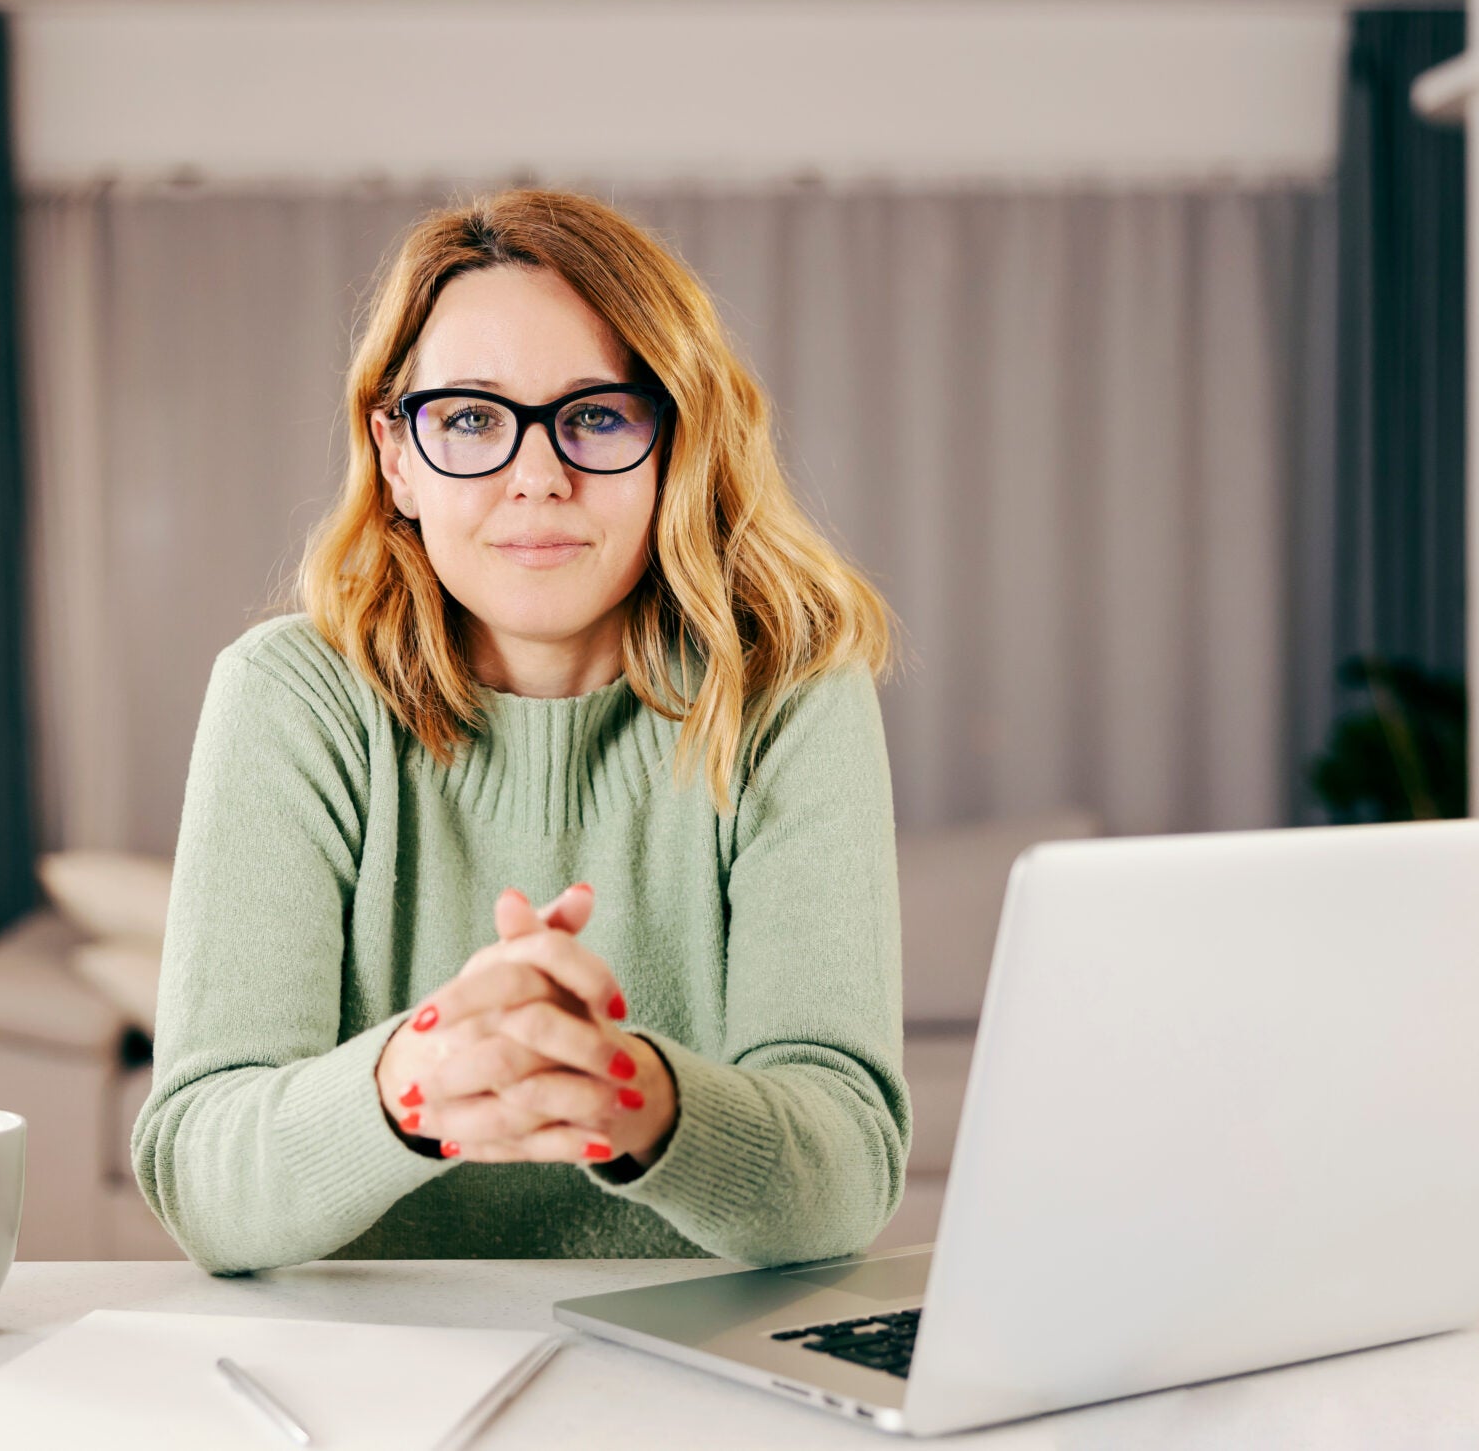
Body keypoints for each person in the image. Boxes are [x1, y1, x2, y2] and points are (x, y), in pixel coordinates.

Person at [131, 188, 907, 1274]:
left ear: (673, 445)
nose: (535, 475)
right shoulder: (288, 695)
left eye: (595, 413)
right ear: (396, 457)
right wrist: (423, 1075)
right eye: (468, 419)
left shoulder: (790, 693)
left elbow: (848, 1172)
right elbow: (202, 1181)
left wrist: (623, 1091)